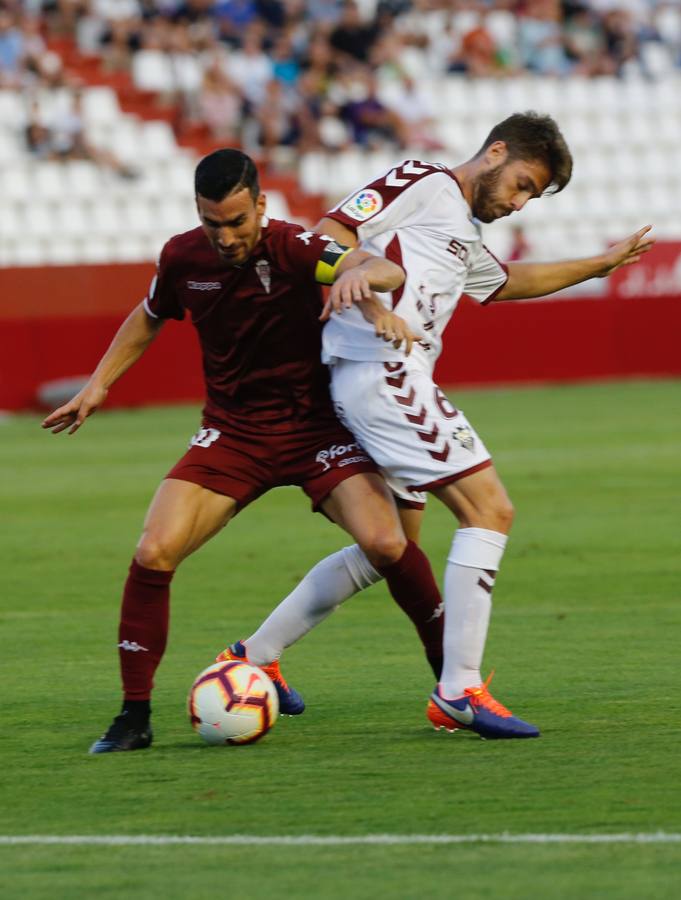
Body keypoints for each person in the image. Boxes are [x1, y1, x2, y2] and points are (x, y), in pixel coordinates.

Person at [229, 112, 654, 740]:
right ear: (496, 152)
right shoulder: (423, 181)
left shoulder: (462, 231)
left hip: (386, 376)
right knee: (490, 509)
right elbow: (334, 229)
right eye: (522, 184)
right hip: (384, 371)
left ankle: (252, 657)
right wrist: (369, 300)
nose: (519, 202)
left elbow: (506, 281)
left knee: (387, 549)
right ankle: (459, 689)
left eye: (531, 196)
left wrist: (597, 265)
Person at [42, 148, 447, 753]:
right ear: (198, 213)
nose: (226, 236)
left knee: (389, 544)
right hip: (232, 434)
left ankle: (454, 686)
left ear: (260, 204)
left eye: (236, 221)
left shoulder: (293, 248)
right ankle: (133, 716)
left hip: (316, 431)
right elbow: (150, 314)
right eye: (213, 222)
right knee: (153, 552)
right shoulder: (183, 256)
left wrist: (369, 289)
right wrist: (99, 384)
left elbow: (373, 266)